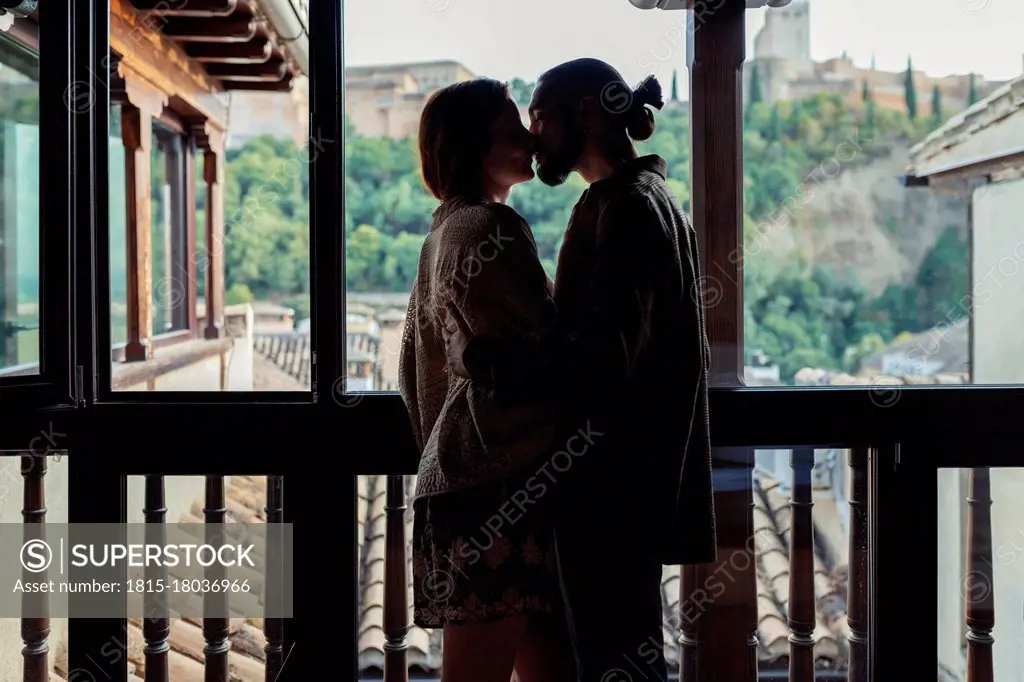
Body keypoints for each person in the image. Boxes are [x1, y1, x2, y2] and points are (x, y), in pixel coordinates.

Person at [441, 58, 717, 682]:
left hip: (610, 495)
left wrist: (481, 359)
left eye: (540, 115)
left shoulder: (625, 209)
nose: (534, 134)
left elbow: (599, 361)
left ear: (587, 111)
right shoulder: (649, 202)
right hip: (629, 491)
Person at [397, 78, 576, 682]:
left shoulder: (440, 235)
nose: (528, 137)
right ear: (472, 146)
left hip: (461, 488)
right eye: (509, 129)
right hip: (497, 491)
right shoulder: (492, 230)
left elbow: (416, 373)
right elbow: (558, 355)